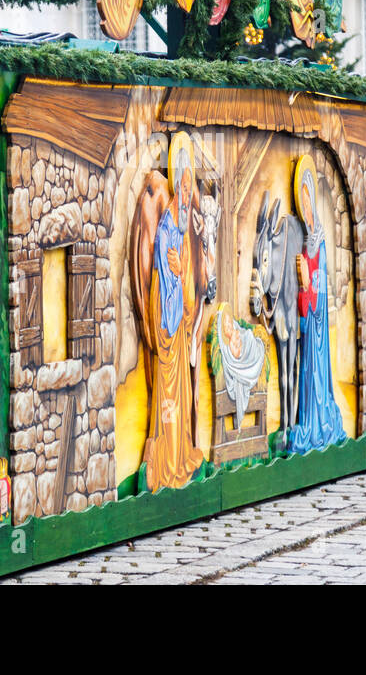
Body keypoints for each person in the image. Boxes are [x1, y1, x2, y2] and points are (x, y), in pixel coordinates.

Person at [143, 132, 205, 491]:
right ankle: (167, 461)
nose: (185, 193)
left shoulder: (181, 227)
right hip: (168, 326)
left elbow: (186, 287)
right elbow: (165, 279)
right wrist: (178, 276)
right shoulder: (168, 229)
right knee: (168, 397)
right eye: (182, 185)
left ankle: (181, 453)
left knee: (180, 397)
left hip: (179, 325)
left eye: (188, 185)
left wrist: (184, 282)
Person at [288, 156, 347, 454]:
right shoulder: (305, 237)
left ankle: (321, 421)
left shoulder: (318, 237)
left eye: (308, 201)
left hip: (317, 312)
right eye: (303, 202)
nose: (306, 207)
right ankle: (309, 419)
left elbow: (318, 276)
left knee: (317, 368)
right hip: (310, 313)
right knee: (308, 369)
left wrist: (306, 281)